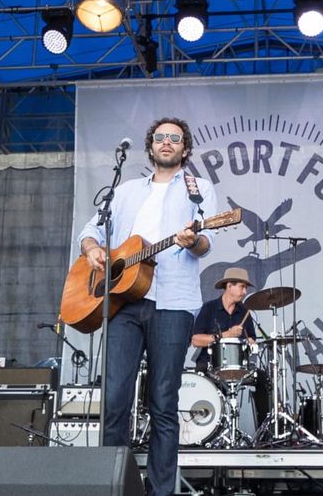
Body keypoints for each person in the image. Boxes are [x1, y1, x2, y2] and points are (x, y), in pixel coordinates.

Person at [78, 117, 217, 496]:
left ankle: (160, 492)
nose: (167, 143)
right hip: (124, 305)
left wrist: (193, 242)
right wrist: (93, 251)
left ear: (185, 149)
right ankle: (112, 488)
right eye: (160, 138)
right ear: (150, 147)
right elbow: (90, 231)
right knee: (114, 401)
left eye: (175, 138)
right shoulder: (124, 191)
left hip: (173, 305)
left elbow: (207, 244)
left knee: (164, 404)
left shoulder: (198, 189)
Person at [192, 267, 269, 427]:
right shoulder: (209, 308)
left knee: (263, 379)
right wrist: (225, 335)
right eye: (241, 287)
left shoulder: (244, 312)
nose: (244, 291)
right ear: (229, 286)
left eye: (245, 288)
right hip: (210, 365)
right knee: (206, 379)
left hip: (238, 367)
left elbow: (251, 338)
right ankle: (209, 431)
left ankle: (264, 433)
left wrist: (251, 342)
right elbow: (195, 340)